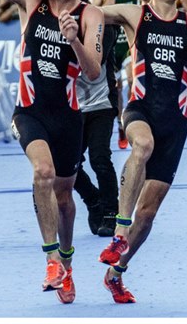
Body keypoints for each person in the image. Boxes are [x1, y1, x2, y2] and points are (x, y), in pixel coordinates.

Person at [0, 0, 104, 304]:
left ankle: (66, 261)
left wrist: (74, 39)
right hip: (29, 112)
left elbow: (93, 73)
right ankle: (50, 260)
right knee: (42, 172)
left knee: (64, 197)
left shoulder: (91, 14)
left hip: (68, 118)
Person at [96, 0, 187, 304]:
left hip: (175, 121)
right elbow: (87, 12)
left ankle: (116, 273)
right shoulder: (135, 15)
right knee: (142, 145)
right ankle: (120, 230)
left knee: (149, 214)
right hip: (140, 108)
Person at [90, 0, 150, 149]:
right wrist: (102, 9)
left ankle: (135, 117)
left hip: (129, 43)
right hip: (110, 45)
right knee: (115, 90)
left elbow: (151, 2)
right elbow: (88, 13)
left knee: (133, 78)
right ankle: (121, 125)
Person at [74, 24, 119, 237]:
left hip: (101, 105)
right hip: (73, 107)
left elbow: (94, 63)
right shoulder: (53, 26)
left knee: (100, 158)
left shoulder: (104, 28)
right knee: (65, 165)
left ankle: (111, 212)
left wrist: (72, 38)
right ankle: (93, 200)